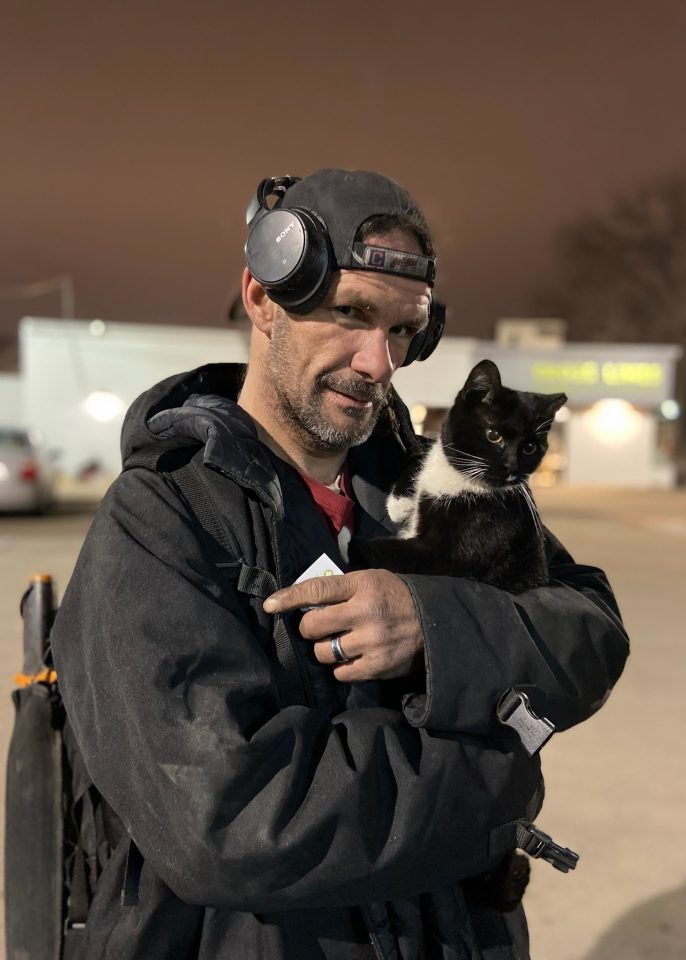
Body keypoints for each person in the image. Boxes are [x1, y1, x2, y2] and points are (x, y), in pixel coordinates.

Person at [52, 168, 629, 959]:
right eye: (351, 314)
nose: (379, 361)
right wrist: (500, 780)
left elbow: (593, 629)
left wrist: (435, 621)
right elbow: (232, 825)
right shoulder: (162, 523)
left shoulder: (438, 480)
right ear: (261, 299)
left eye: (402, 329)